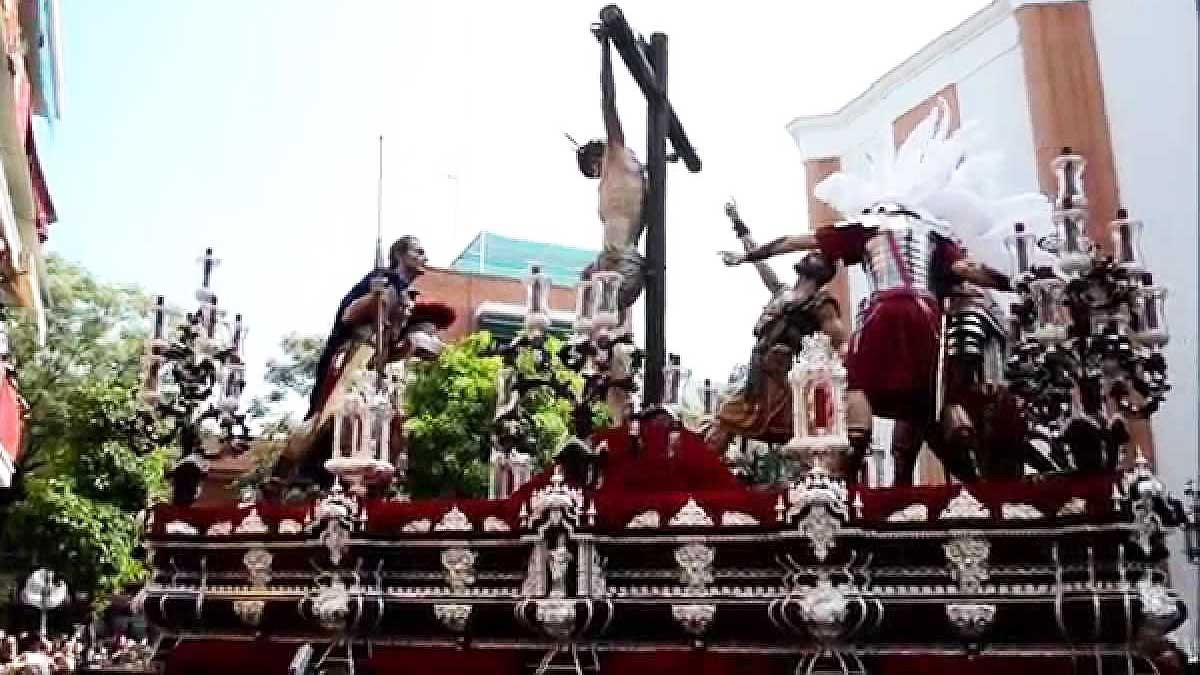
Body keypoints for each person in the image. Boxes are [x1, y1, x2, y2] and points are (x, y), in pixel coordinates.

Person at [576, 29, 646, 311]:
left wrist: (606, 47)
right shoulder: (625, 171)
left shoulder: (616, 155)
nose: (598, 176)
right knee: (586, 311)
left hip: (624, 259)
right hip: (610, 257)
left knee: (604, 317)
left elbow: (608, 100)